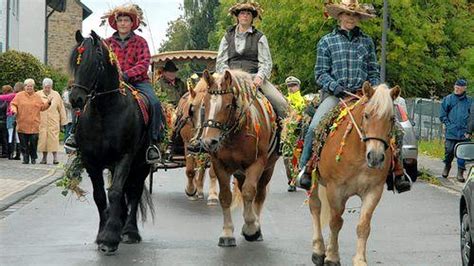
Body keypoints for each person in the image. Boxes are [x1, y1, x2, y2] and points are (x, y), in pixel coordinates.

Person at [296, 0, 411, 193]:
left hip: (363, 96)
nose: (350, 18)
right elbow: (320, 73)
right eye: (347, 15)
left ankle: (397, 173)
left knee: (396, 129)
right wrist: (335, 86)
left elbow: (373, 71)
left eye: (354, 15)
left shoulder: (366, 41)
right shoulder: (326, 41)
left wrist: (375, 91)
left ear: (358, 19)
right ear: (339, 16)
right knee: (315, 127)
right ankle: (305, 169)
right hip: (335, 95)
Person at [65, 4, 164, 163]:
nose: (123, 23)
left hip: (138, 83)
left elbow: (144, 63)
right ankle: (75, 136)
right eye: (120, 20)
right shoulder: (106, 43)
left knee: (154, 102)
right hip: (110, 85)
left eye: (126, 20)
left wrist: (125, 75)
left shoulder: (140, 42)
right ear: (115, 23)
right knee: (85, 101)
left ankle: (153, 142)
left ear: (132, 24)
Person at [215, 1, 288, 119]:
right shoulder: (227, 36)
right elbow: (221, 62)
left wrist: (260, 77)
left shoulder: (260, 37)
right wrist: (228, 76)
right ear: (237, 16)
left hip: (254, 78)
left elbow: (266, 62)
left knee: (282, 105)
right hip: (230, 79)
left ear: (252, 17)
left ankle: (284, 134)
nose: (245, 16)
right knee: (207, 99)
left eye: (248, 13)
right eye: (242, 13)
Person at [10, 79, 52, 164]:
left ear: (33, 87)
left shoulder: (37, 96)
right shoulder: (19, 95)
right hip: (22, 124)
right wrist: (14, 110)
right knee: (24, 144)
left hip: (34, 124)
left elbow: (42, 108)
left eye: (31, 86)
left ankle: (33, 157)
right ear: (24, 87)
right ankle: (25, 158)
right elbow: (13, 104)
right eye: (27, 86)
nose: (29, 88)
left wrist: (48, 103)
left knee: (33, 142)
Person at [439, 78, 472, 182]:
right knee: (449, 151)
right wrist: (449, 125)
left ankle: (460, 172)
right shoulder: (448, 99)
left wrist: (469, 130)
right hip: (451, 131)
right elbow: (442, 114)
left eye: (459, 87)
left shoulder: (470, 101)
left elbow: (472, 116)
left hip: (464, 132)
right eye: (456, 87)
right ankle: (447, 166)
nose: (457, 89)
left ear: (464, 88)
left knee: (462, 153)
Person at [37, 78, 67, 164]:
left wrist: (63, 121)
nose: (47, 89)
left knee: (54, 139)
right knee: (43, 140)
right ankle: (44, 158)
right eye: (46, 87)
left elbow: (61, 108)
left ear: (51, 86)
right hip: (41, 121)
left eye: (49, 87)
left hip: (53, 121)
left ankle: (55, 158)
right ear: (43, 86)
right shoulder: (38, 94)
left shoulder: (56, 95)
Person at [62, 79, 75, 145]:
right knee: (68, 131)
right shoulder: (67, 93)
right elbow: (67, 104)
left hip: (69, 115)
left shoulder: (67, 93)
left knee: (68, 130)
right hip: (69, 115)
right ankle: (66, 144)